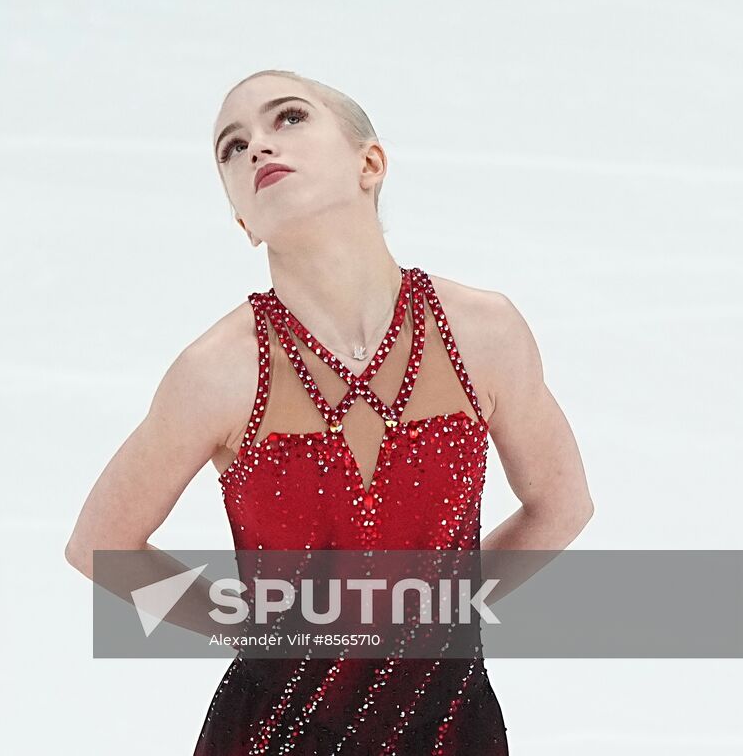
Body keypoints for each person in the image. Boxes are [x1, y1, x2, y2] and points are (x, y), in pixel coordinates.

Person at [64, 69, 595, 753]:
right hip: (274, 732)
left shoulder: (481, 331)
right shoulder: (218, 371)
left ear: (368, 163)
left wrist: (445, 610)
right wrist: (248, 629)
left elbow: (562, 503)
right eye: (231, 146)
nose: (256, 146)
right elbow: (100, 544)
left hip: (448, 727)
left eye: (287, 118)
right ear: (242, 222)